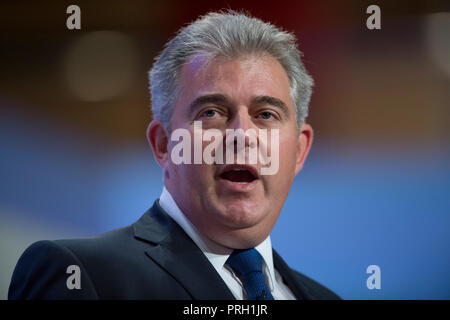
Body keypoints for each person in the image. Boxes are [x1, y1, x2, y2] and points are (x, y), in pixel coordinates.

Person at [8, 10, 340, 300]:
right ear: (164, 145)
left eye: (266, 115)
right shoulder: (81, 276)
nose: (242, 135)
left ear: (299, 150)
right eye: (211, 112)